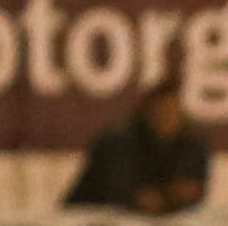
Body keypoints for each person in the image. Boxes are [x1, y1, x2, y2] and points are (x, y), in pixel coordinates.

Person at [63, 79, 209, 213]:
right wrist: (164, 196)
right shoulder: (117, 142)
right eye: (161, 112)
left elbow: (192, 190)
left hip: (157, 223)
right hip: (92, 216)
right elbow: (119, 192)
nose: (167, 118)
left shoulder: (191, 143)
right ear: (147, 113)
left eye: (172, 112)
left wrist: (171, 196)